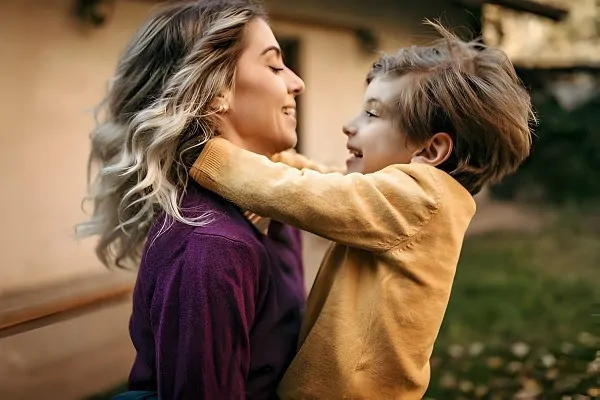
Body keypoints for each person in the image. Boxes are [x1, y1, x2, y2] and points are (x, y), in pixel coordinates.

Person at [189, 22, 535, 399]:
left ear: (431, 151)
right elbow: (328, 182)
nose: (348, 126)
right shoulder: (405, 199)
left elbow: (309, 195)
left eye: (372, 114)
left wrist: (209, 154)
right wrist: (274, 156)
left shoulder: (421, 199)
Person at [76, 1, 307, 398]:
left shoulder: (280, 210)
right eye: (274, 65)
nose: (297, 82)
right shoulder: (211, 246)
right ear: (217, 92)